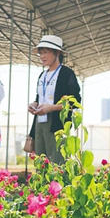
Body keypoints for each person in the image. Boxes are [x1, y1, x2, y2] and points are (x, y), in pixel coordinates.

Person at [28, 35, 81, 164]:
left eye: (46, 52)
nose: (42, 56)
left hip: (56, 124)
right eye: (40, 53)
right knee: (41, 161)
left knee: (57, 161)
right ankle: (43, 184)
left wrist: (51, 108)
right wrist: (34, 104)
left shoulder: (66, 74)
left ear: (57, 53)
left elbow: (75, 102)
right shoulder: (42, 75)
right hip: (39, 123)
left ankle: (57, 184)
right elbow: (39, 96)